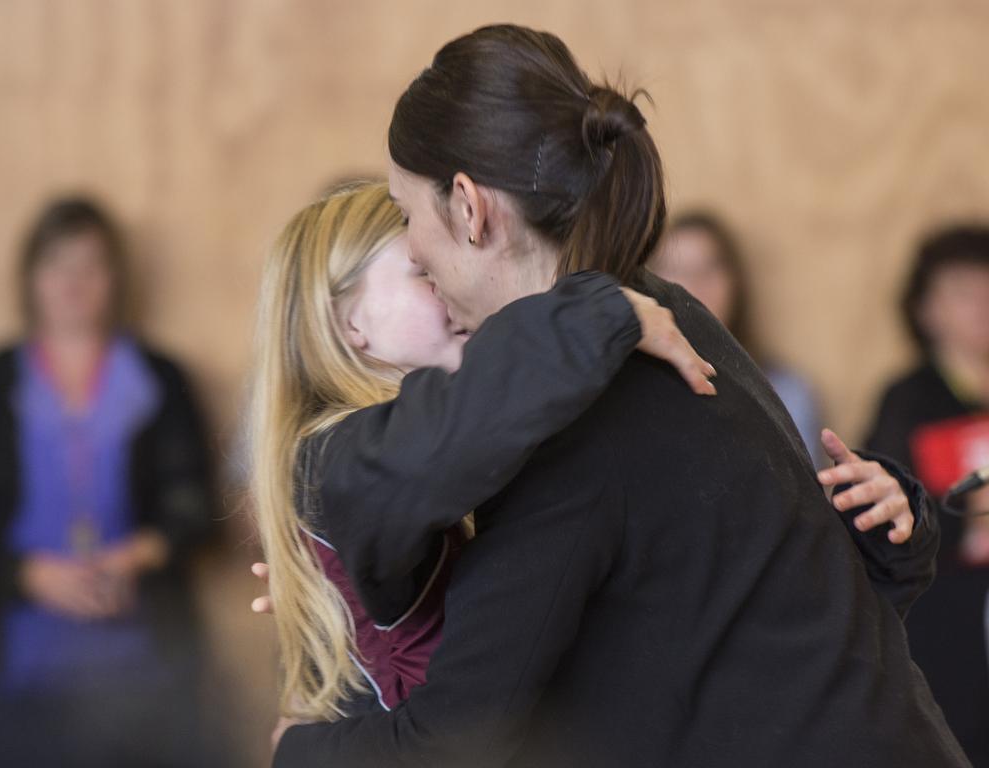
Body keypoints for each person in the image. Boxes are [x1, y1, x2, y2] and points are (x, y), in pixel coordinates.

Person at [251, 182, 935, 746]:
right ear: (350, 326)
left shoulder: (480, 446)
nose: (452, 283)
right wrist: (604, 308)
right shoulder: (345, 457)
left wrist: (881, 540)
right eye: (421, 271)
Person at [0, 198, 216, 768]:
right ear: (29, 276)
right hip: (14, 670)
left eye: (91, 264)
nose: (73, 282)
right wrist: (29, 575)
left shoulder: (161, 377)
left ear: (116, 278)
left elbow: (196, 507)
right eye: (56, 262)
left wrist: (134, 558)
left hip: (142, 666)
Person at [866, 224, 989, 766]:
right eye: (963, 291)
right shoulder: (908, 399)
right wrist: (972, 527)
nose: (983, 304)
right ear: (926, 310)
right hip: (950, 629)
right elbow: (891, 517)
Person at [650, 210, 825, 466]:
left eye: (709, 269)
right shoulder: (639, 389)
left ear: (736, 282)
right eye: (678, 270)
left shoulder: (786, 391)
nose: (694, 285)